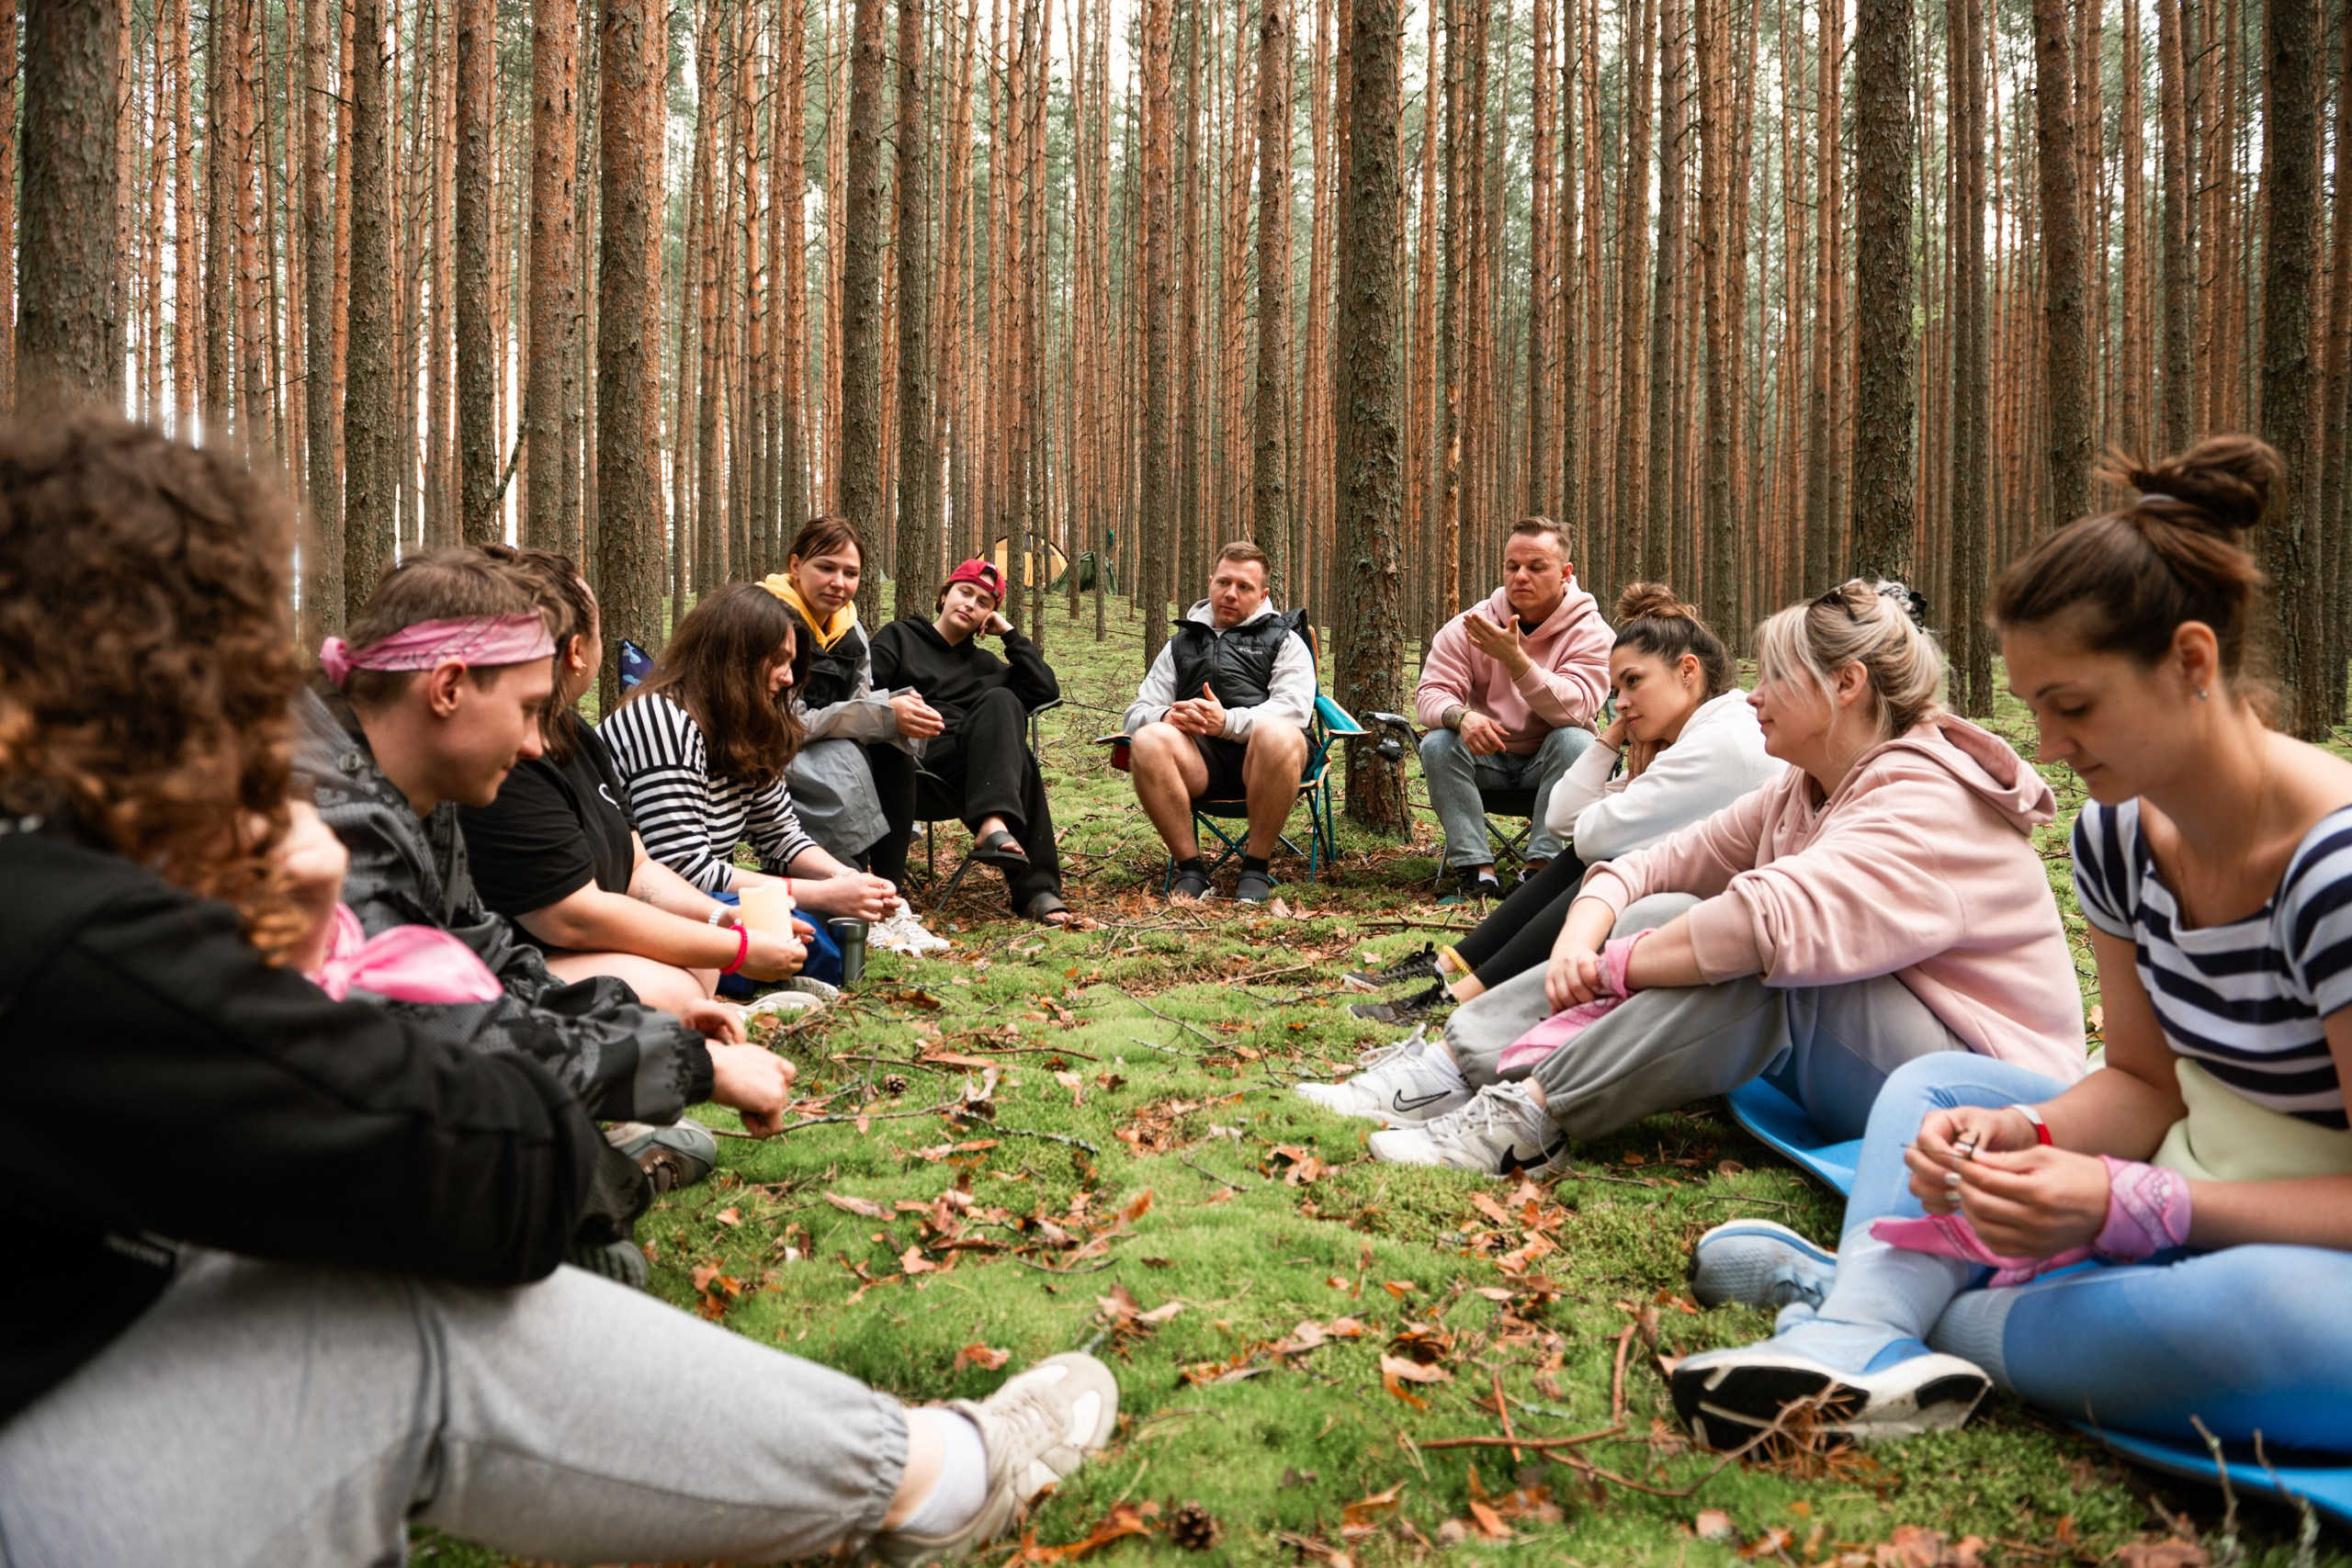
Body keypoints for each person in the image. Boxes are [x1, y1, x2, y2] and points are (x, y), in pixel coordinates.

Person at [0, 411, 1120, 1565]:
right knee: (407, 1319)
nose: (269, 706)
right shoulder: (81, 916)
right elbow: (461, 1133)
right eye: (239, 669)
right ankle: (937, 1478)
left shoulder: (111, 873)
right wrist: (677, 1027)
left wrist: (758, 939)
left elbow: (503, 954)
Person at [1668, 438, 2352, 1453]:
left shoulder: (2329, 870)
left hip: (2296, 1252)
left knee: (2279, 1326)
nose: (2045, 747)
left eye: (2071, 706)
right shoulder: (2117, 835)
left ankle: (1876, 1305)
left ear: (2192, 662)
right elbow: (2141, 1082)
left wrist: (2138, 1206)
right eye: (2033, 707)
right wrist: (2028, 1142)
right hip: (2182, 1175)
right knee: (1939, 1090)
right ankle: (1875, 1321)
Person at [1319, 578, 2089, 1178]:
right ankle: (1449, 1068)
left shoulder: (1926, 798)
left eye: (1776, 676)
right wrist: (1586, 931)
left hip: (1987, 1095)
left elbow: (1767, 923)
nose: (1753, 694)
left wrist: (1609, 966)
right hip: (1876, 1058)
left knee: (1765, 961)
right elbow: (1652, 861)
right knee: (1667, 903)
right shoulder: (1805, 785)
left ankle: (1529, 1114)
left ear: (1846, 685)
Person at [297, 548, 797, 1156]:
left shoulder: (423, 785)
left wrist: (644, 1031)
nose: (537, 743)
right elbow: (426, 1027)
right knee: (532, 1155)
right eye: (529, 710)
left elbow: (488, 960)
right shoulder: (321, 810)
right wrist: (697, 1069)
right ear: (449, 686)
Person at [1339, 584, 1781, 1023]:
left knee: (1600, 861)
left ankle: (1463, 995)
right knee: (1591, 858)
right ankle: (1452, 969)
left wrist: (1627, 776)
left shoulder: (1716, 742)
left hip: (1748, 919)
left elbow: (1591, 839)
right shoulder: (1693, 733)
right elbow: (1564, 818)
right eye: (1617, 690)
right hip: (1707, 889)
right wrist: (1610, 738)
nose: (1621, 704)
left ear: (1688, 671)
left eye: (1633, 683)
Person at [458, 547, 812, 1013]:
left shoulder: (574, 733)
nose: (788, 679)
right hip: (514, 952)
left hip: (578, 937)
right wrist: (738, 948)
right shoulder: (511, 754)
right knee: (681, 985)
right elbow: (571, 915)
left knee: (699, 964)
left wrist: (722, 916)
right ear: (577, 651)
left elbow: (639, 868)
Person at [598, 582, 901, 931]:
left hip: (700, 890)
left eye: (792, 663)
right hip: (639, 901)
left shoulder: (748, 726)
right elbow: (680, 869)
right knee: (811, 912)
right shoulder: (662, 720)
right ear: (733, 658)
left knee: (834, 881)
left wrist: (847, 879)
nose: (789, 678)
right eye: (778, 661)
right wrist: (822, 895)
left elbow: (782, 836)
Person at [1413, 517, 1615, 901]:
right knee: (1439, 742)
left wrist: (1517, 661)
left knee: (1575, 739)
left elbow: (1577, 707)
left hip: (1552, 766)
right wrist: (1462, 716)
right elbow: (1430, 694)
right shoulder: (1472, 625)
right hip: (1486, 760)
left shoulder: (1590, 631)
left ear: (1565, 573)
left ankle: (1539, 870)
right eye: (1513, 566)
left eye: (1536, 567)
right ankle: (1477, 872)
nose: (1521, 576)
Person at [868, 558, 1072, 925]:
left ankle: (999, 832)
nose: (970, 604)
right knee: (1018, 757)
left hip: (972, 775)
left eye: (983, 603)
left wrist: (1009, 634)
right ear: (944, 595)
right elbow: (864, 692)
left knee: (1003, 703)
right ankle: (1032, 882)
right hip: (908, 763)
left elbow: (1045, 689)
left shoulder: (989, 667)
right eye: (964, 592)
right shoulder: (900, 637)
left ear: (987, 618)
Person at [1121, 541, 1315, 904]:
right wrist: (1166, 715)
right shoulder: (1180, 644)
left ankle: (1255, 867)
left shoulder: (1285, 639)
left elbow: (1294, 710)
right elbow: (1135, 712)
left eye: (1244, 587)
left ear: (1262, 596)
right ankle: (1191, 869)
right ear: (1210, 582)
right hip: (1198, 762)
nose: (1231, 594)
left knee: (1279, 734)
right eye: (1223, 583)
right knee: (1148, 739)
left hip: (1263, 762)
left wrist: (1226, 721)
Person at [758, 516, 934, 871]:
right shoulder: (766, 619)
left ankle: (890, 895)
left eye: (851, 574)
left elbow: (860, 696)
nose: (839, 583)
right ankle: (850, 883)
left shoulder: (849, 627)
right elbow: (786, 722)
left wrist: (898, 715)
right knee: (851, 752)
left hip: (828, 743)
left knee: (892, 745)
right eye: (826, 568)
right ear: (795, 565)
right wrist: (882, 713)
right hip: (772, 748)